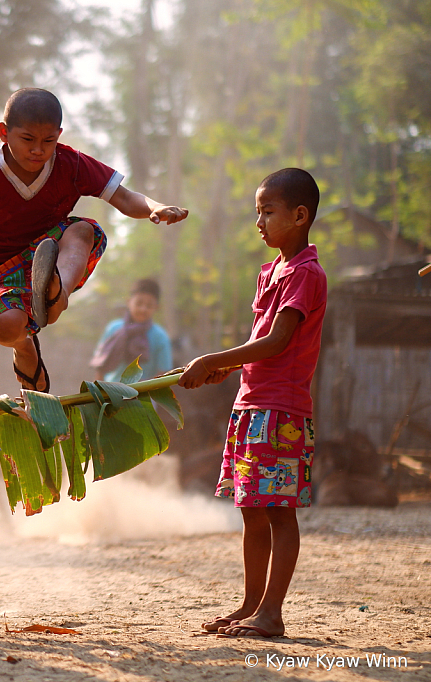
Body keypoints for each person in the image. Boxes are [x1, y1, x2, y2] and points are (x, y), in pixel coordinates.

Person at [0, 88, 188, 392]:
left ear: (59, 136)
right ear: (3, 133)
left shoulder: (71, 163)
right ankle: (24, 347)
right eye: (28, 140)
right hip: (1, 271)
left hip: (52, 255)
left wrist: (155, 207)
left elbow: (126, 200)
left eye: (48, 141)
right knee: (5, 327)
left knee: (83, 230)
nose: (38, 150)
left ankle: (56, 294)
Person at [179, 168, 327, 639]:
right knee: (252, 508)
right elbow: (259, 340)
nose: (258, 221)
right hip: (251, 406)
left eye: (268, 211)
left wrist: (212, 357)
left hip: (281, 411)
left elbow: (279, 340)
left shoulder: (306, 273)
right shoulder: (274, 271)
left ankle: (273, 612)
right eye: (256, 212)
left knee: (279, 511)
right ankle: (251, 603)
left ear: (300, 216)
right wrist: (226, 369)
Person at [90, 278, 173, 381]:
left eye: (149, 305)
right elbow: (100, 366)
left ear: (156, 307)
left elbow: (163, 372)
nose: (143, 309)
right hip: (111, 391)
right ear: (129, 302)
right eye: (139, 303)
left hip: (142, 394)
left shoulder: (160, 336)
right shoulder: (113, 328)